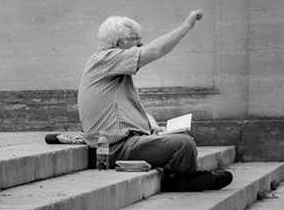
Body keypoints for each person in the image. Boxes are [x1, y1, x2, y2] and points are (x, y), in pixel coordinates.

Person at [57, 11, 232, 192]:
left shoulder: (113, 68)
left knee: (179, 142)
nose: (140, 43)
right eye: (135, 39)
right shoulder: (107, 58)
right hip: (115, 149)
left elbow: (136, 110)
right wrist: (186, 26)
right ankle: (181, 179)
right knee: (184, 144)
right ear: (119, 43)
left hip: (127, 143)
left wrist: (154, 127)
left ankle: (184, 176)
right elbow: (154, 50)